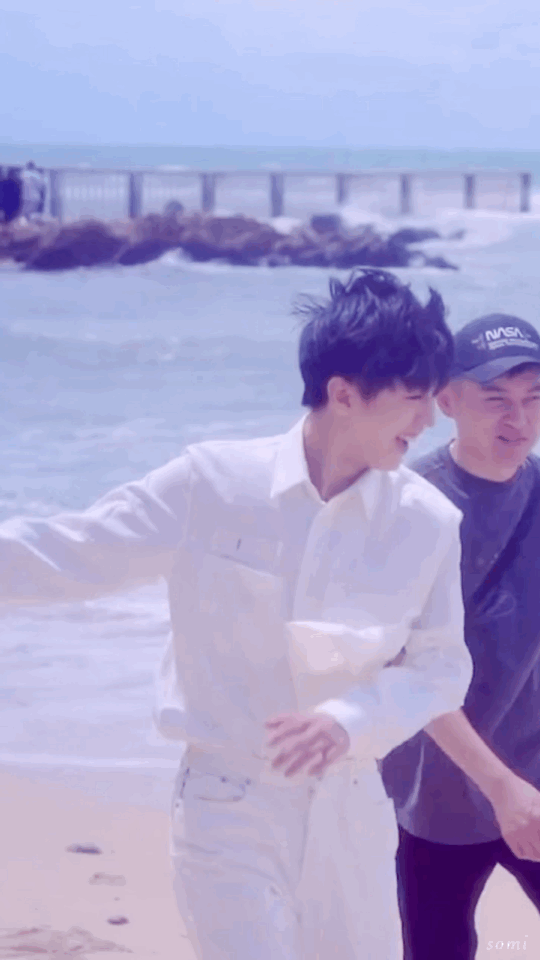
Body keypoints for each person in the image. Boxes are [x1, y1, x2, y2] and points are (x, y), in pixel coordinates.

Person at [0, 268, 472, 960]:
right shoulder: (213, 483)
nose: (429, 420)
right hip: (227, 802)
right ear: (344, 393)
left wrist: (350, 719)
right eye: (413, 398)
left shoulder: (427, 521)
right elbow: (72, 551)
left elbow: (441, 668)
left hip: (352, 807)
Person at [381, 313, 540, 960]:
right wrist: (499, 786)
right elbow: (404, 669)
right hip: (435, 795)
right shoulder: (408, 506)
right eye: (496, 399)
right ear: (446, 401)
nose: (519, 420)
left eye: (534, 398)